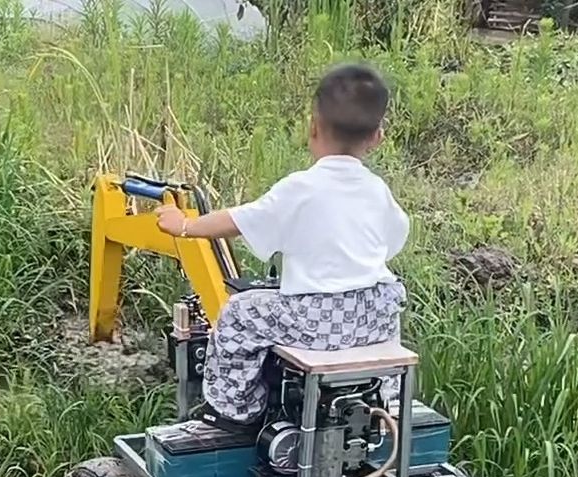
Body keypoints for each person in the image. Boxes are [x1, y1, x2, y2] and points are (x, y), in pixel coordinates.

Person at [155, 62, 409, 432]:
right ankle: (390, 403)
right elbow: (394, 238)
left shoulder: (300, 188)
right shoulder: (377, 190)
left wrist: (186, 225)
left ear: (313, 128)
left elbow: (239, 219)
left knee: (239, 312)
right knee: (387, 300)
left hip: (315, 323)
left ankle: (236, 409)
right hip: (373, 319)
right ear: (378, 137)